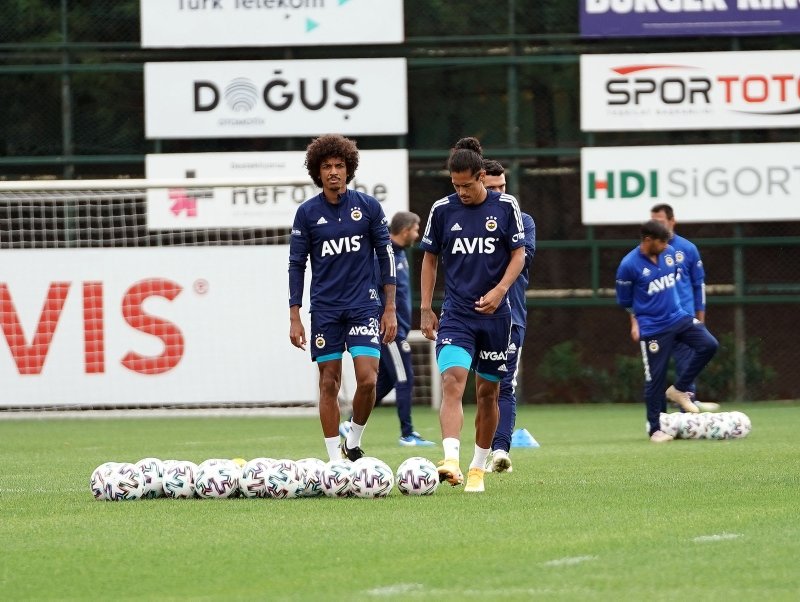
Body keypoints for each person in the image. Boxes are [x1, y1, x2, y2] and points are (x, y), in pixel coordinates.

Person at [419, 137, 526, 492]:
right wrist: (425, 307)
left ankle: (478, 468)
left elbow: (519, 255)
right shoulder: (442, 210)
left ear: (481, 176)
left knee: (488, 394)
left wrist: (499, 292)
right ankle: (450, 459)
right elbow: (430, 259)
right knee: (453, 380)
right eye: (456, 185)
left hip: (497, 318)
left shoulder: (506, 207)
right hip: (457, 315)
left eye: (467, 184)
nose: (461, 191)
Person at [288, 134, 397, 462]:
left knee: (368, 379)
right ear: (317, 172)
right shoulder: (307, 214)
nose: (333, 171)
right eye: (326, 166)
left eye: (339, 165)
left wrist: (389, 307)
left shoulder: (368, 207)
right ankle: (334, 459)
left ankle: (354, 438)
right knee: (329, 383)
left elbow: (386, 255)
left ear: (349, 170)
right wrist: (295, 315)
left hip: (365, 306)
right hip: (325, 310)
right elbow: (296, 264)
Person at [615, 219, 719, 443]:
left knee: (709, 345)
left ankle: (679, 389)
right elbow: (625, 300)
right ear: (647, 240)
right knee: (655, 378)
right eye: (661, 243)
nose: (665, 247)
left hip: (678, 317)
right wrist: (637, 321)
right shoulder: (629, 265)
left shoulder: (670, 253)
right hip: (653, 327)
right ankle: (655, 430)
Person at [339, 211, 436, 447]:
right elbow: (372, 289)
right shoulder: (383, 254)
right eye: (415, 229)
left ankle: (350, 423)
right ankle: (407, 433)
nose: (418, 233)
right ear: (405, 230)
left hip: (399, 329)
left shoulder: (400, 254)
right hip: (390, 331)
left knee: (383, 382)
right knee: (405, 379)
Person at [482, 160, 536, 473]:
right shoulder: (462, 219)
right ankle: (457, 454)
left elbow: (522, 258)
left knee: (503, 385)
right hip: (467, 314)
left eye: (503, 187)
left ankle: (500, 450)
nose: (501, 193)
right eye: (492, 188)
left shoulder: (523, 221)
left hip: (510, 317)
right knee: (465, 384)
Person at [649, 203, 720, 412]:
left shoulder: (687, 249)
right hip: (658, 320)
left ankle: (686, 416)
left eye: (660, 222)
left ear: (672, 221)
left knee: (687, 364)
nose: (656, 226)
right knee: (656, 370)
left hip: (684, 318)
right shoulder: (647, 252)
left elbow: (699, 285)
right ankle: (657, 418)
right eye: (653, 221)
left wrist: (700, 317)